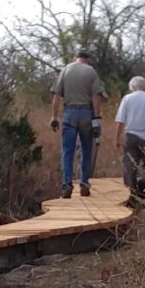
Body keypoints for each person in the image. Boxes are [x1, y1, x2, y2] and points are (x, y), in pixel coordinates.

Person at [49, 47, 106, 197]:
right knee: (87, 150)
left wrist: (54, 116)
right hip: (86, 113)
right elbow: (96, 96)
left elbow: (56, 95)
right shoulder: (91, 71)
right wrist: (96, 118)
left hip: (69, 113)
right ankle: (84, 183)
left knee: (68, 151)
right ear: (88, 59)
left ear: (76, 57)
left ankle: (67, 184)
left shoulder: (66, 70)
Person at [113, 75, 145, 196]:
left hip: (131, 136)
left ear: (132, 87)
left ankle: (132, 191)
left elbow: (120, 121)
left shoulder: (127, 98)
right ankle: (144, 186)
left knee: (130, 164)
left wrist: (117, 139)